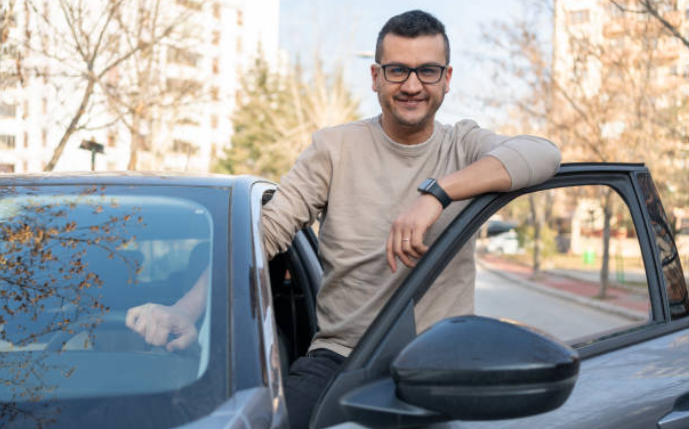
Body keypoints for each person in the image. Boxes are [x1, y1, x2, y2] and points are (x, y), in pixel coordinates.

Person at [126, 9, 561, 429]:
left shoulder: (464, 146)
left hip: (440, 362)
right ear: (375, 77)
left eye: (427, 71)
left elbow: (543, 154)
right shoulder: (334, 148)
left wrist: (437, 194)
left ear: (446, 79)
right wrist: (186, 309)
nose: (412, 85)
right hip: (342, 357)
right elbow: (265, 234)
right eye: (397, 70)